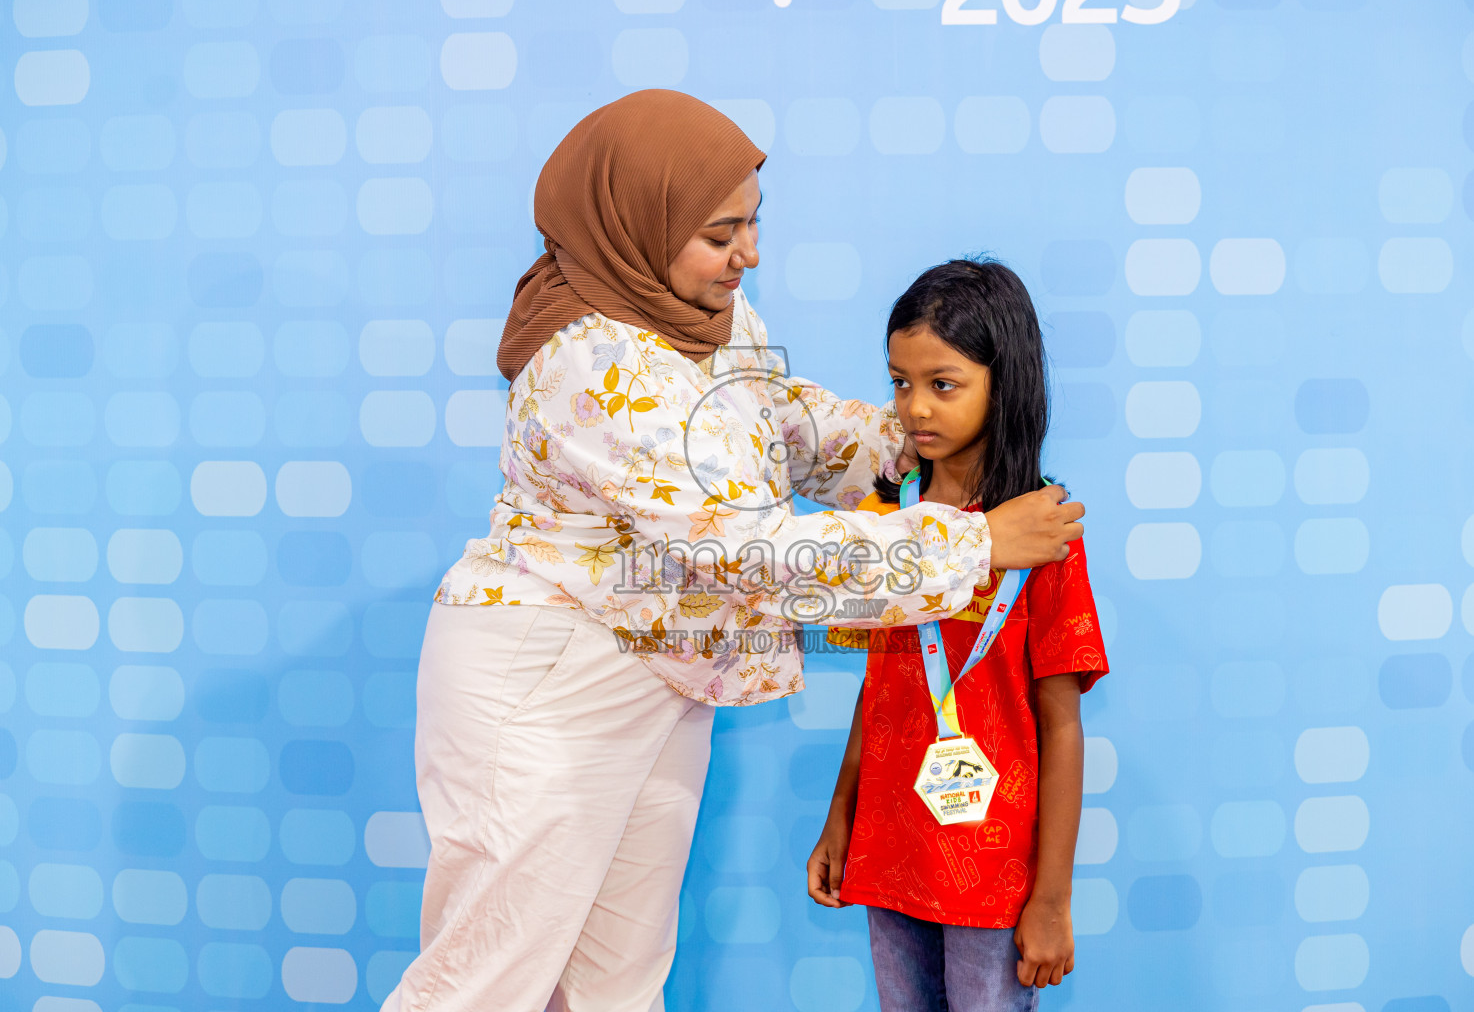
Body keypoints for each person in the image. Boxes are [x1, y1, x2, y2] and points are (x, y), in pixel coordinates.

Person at [382, 92, 1085, 1012]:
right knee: (486, 977)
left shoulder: (703, 311)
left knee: (616, 984)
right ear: (641, 220)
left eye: (754, 224)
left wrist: (907, 436)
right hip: (549, 683)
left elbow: (777, 420)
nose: (748, 253)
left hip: (660, 674)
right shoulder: (595, 362)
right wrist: (973, 540)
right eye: (722, 234)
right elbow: (750, 553)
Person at [807, 259, 1110, 1012]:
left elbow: (1063, 729)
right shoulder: (890, 524)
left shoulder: (1044, 534)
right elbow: (881, 687)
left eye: (943, 384)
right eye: (900, 382)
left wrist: (1051, 899)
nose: (914, 408)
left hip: (995, 869)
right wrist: (842, 816)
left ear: (1003, 384)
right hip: (893, 847)